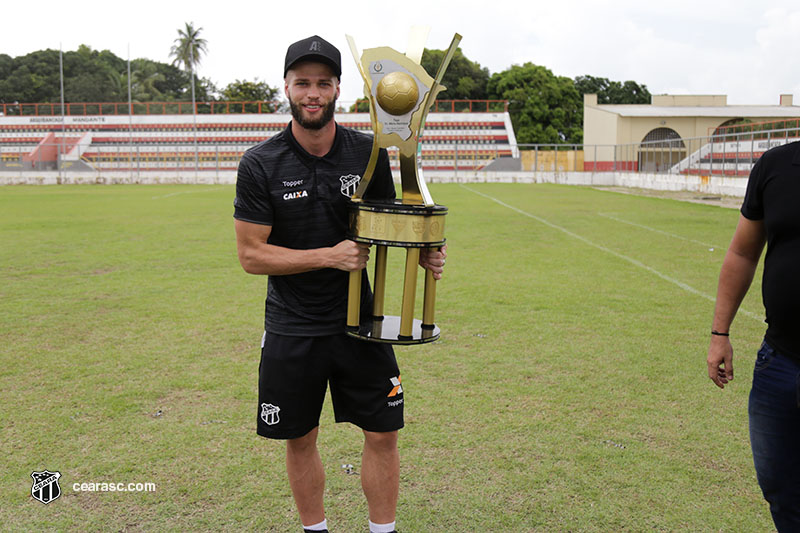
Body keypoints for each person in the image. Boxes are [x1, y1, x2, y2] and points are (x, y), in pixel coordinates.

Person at [233, 35, 446, 533]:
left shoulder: (368, 152)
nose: (312, 92)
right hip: (293, 327)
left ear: (337, 89)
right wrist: (328, 256)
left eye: (323, 83)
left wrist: (426, 254)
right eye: (303, 82)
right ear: (286, 86)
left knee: (383, 434)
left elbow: (391, 224)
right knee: (300, 439)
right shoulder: (260, 162)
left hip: (361, 323)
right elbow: (250, 255)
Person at [707, 140, 800, 532]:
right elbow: (743, 254)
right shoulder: (775, 166)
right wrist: (719, 333)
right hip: (779, 361)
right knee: (780, 487)